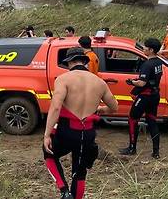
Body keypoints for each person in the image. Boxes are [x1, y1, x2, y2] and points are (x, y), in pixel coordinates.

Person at [43, 47, 118, 199]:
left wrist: (46, 135)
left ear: (69, 62)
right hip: (88, 133)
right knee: (80, 172)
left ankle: (64, 191)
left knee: (49, 153)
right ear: (85, 62)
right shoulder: (99, 82)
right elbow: (114, 107)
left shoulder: (63, 79)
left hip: (67, 130)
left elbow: (56, 107)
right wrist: (101, 110)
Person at [119, 38, 163, 159]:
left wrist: (132, 82)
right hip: (155, 95)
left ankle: (132, 148)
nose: (143, 49)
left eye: (145, 47)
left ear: (151, 50)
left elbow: (142, 83)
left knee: (132, 120)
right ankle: (156, 152)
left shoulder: (147, 64)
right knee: (152, 121)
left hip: (145, 96)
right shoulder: (159, 62)